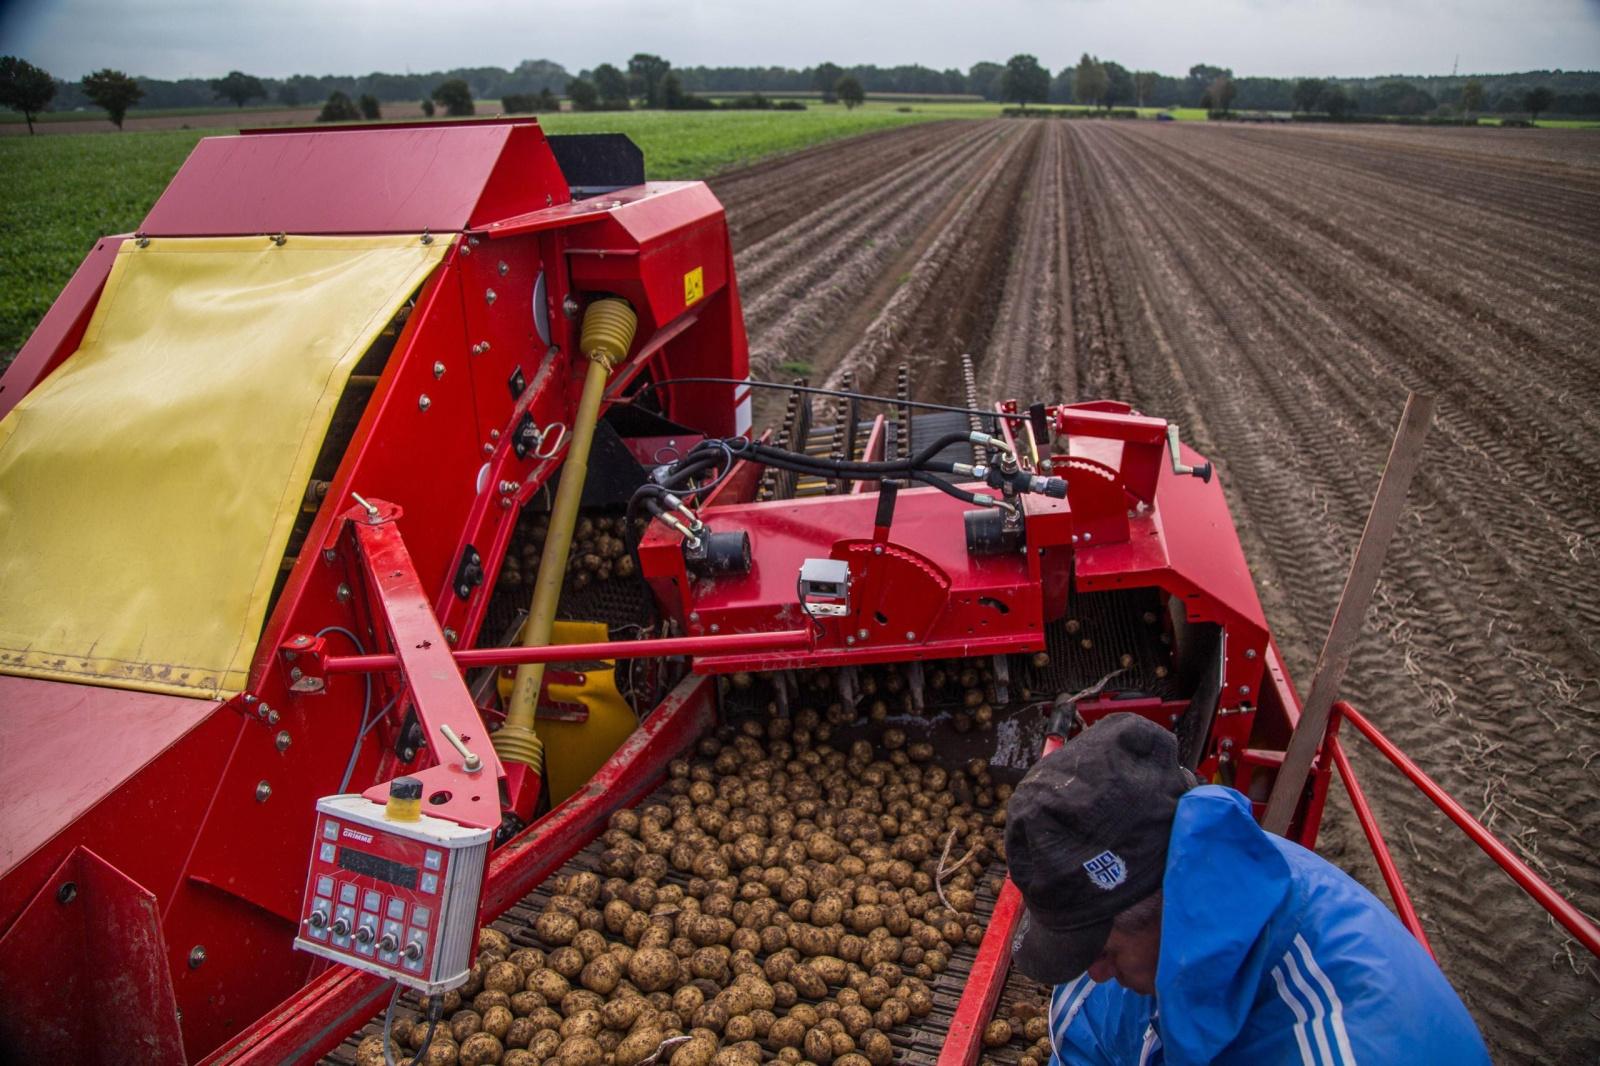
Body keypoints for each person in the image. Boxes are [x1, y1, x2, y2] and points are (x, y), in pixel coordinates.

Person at [1005, 712, 1489, 1065]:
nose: (1096, 972)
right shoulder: (1182, 892)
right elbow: (1090, 1030)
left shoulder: (1335, 1043)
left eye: (1103, 951)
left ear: (1166, 902)